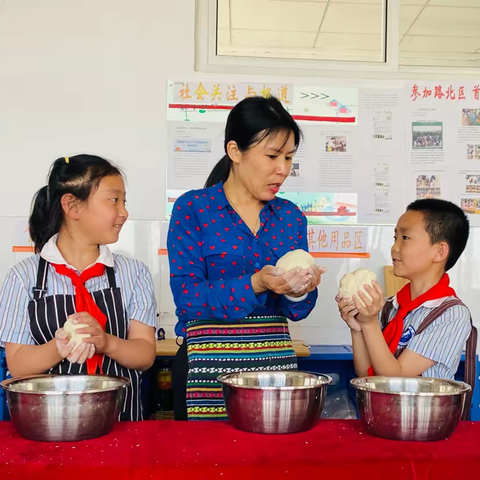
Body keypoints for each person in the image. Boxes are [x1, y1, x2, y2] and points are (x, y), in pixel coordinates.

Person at [168, 96, 325, 421]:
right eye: (271, 156)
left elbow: (296, 311)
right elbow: (188, 298)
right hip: (204, 367)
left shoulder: (289, 217)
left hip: (274, 370)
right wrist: (255, 283)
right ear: (235, 151)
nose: (283, 169)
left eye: (288, 157)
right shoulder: (194, 209)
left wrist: (299, 289)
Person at [0, 155, 157, 421]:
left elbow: (144, 354)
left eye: (124, 201)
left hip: (121, 424)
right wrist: (59, 347)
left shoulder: (133, 273)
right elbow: (18, 365)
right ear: (72, 206)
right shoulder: (23, 277)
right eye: (114, 200)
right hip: (50, 427)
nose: (124, 212)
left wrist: (107, 342)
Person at [336, 199, 475, 386]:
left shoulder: (451, 314)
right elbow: (365, 375)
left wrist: (369, 323)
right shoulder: (390, 306)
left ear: (439, 252)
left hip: (424, 414)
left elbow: (394, 380)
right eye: (395, 238)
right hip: (384, 411)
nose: (394, 247)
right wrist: (358, 328)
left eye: (405, 238)